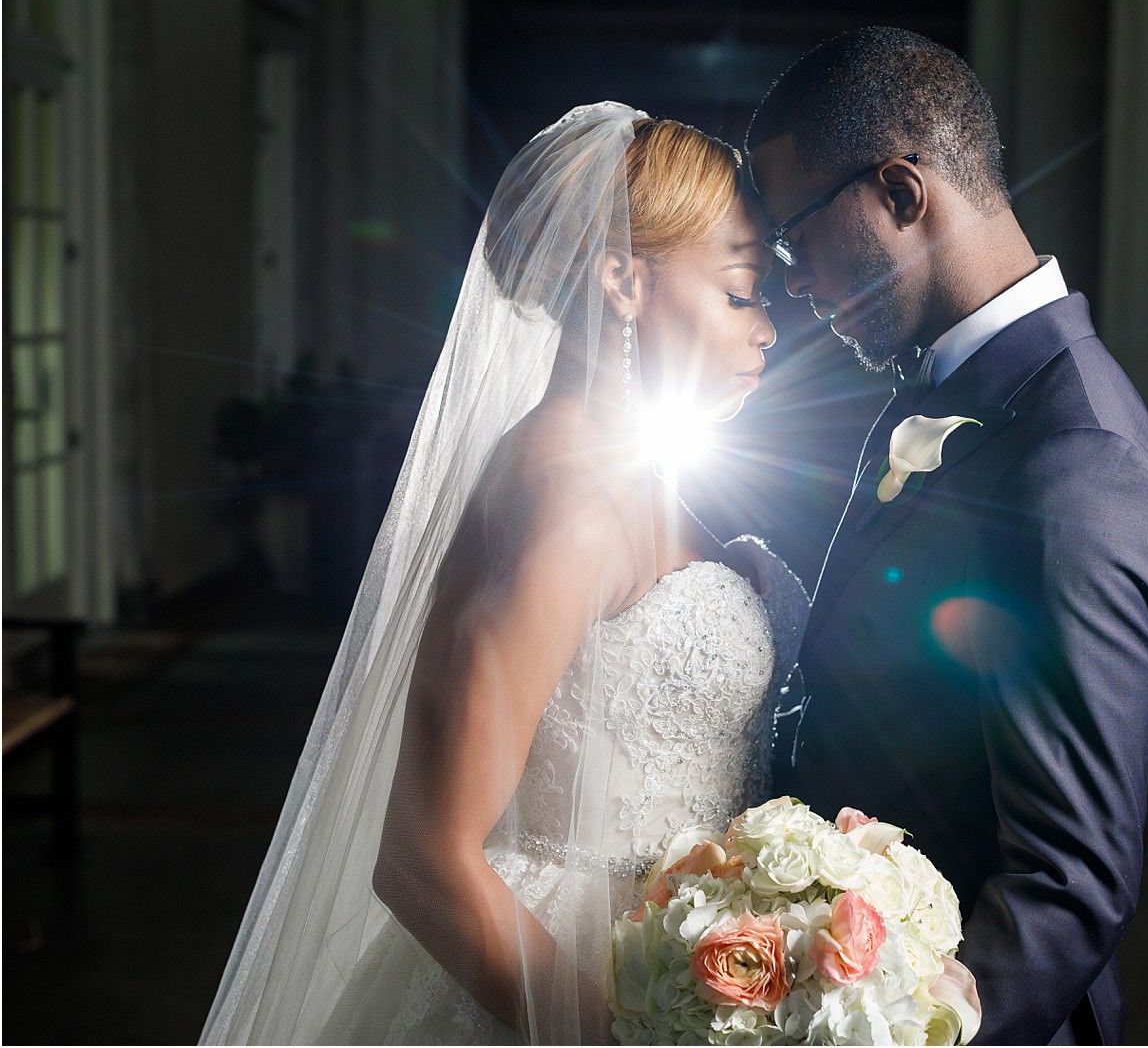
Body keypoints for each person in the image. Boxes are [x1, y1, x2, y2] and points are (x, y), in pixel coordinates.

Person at [201, 103, 808, 1045]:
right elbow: (419, 858)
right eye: (740, 290)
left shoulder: (618, 470)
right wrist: (606, 1035)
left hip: (676, 961)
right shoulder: (568, 507)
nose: (767, 328)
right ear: (621, 280)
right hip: (562, 982)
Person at [748, 28, 1148, 1045]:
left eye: (792, 237)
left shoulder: (1077, 459)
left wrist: (885, 1032)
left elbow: (1065, 883)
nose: (792, 284)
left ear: (901, 193)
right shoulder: (952, 384)